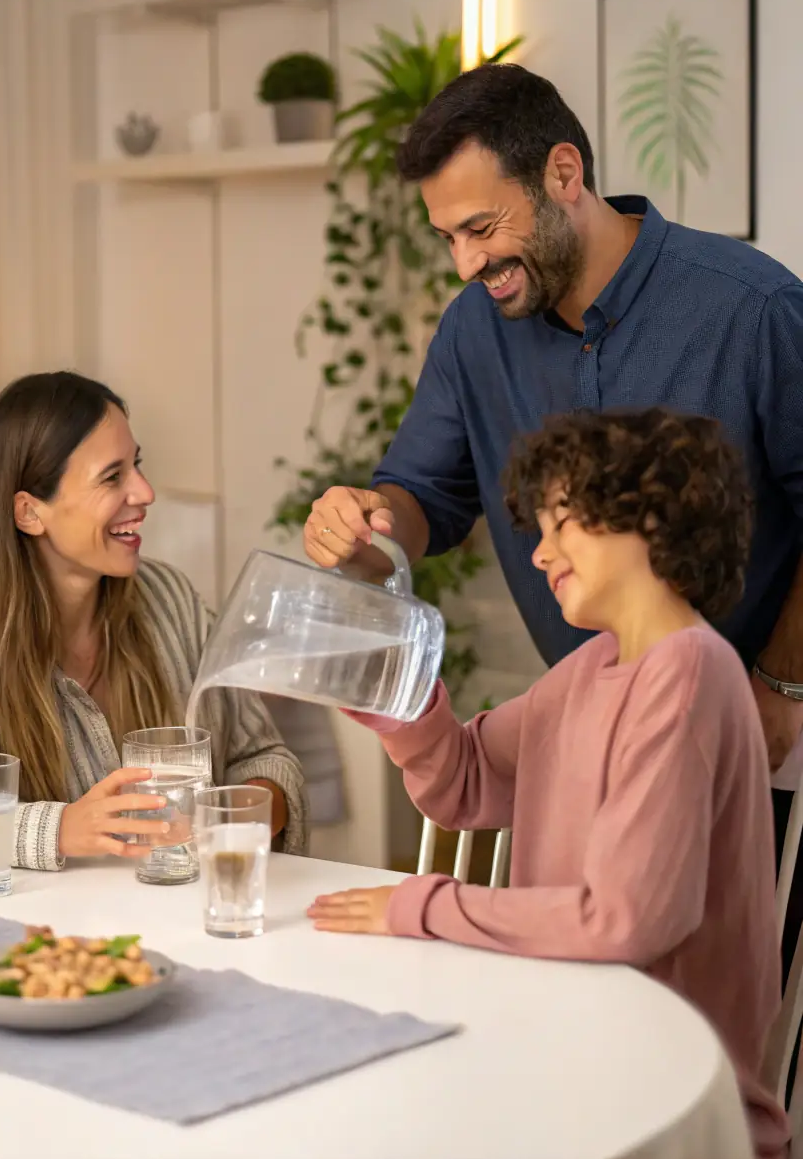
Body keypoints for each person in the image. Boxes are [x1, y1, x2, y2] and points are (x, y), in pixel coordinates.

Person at [304, 62, 803, 960]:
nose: (466, 262)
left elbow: (625, 927)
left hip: (752, 736)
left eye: (482, 228)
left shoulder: (752, 309)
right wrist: (365, 522)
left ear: (563, 174)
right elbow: (424, 497)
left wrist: (779, 688)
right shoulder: (472, 329)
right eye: (448, 237)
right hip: (578, 731)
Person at [308, 408, 789, 1158]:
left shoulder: (689, 672)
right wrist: (400, 697)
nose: (540, 554)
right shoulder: (592, 669)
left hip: (666, 1100)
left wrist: (422, 903)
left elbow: (624, 921)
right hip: (570, 1047)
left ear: (649, 517)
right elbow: (466, 783)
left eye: (562, 523)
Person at [0, 371, 308, 868]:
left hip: (183, 920)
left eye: (136, 465)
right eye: (112, 476)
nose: (144, 492)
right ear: (30, 513)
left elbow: (265, 757)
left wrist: (232, 818)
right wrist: (56, 829)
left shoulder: (173, 603)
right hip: (46, 941)